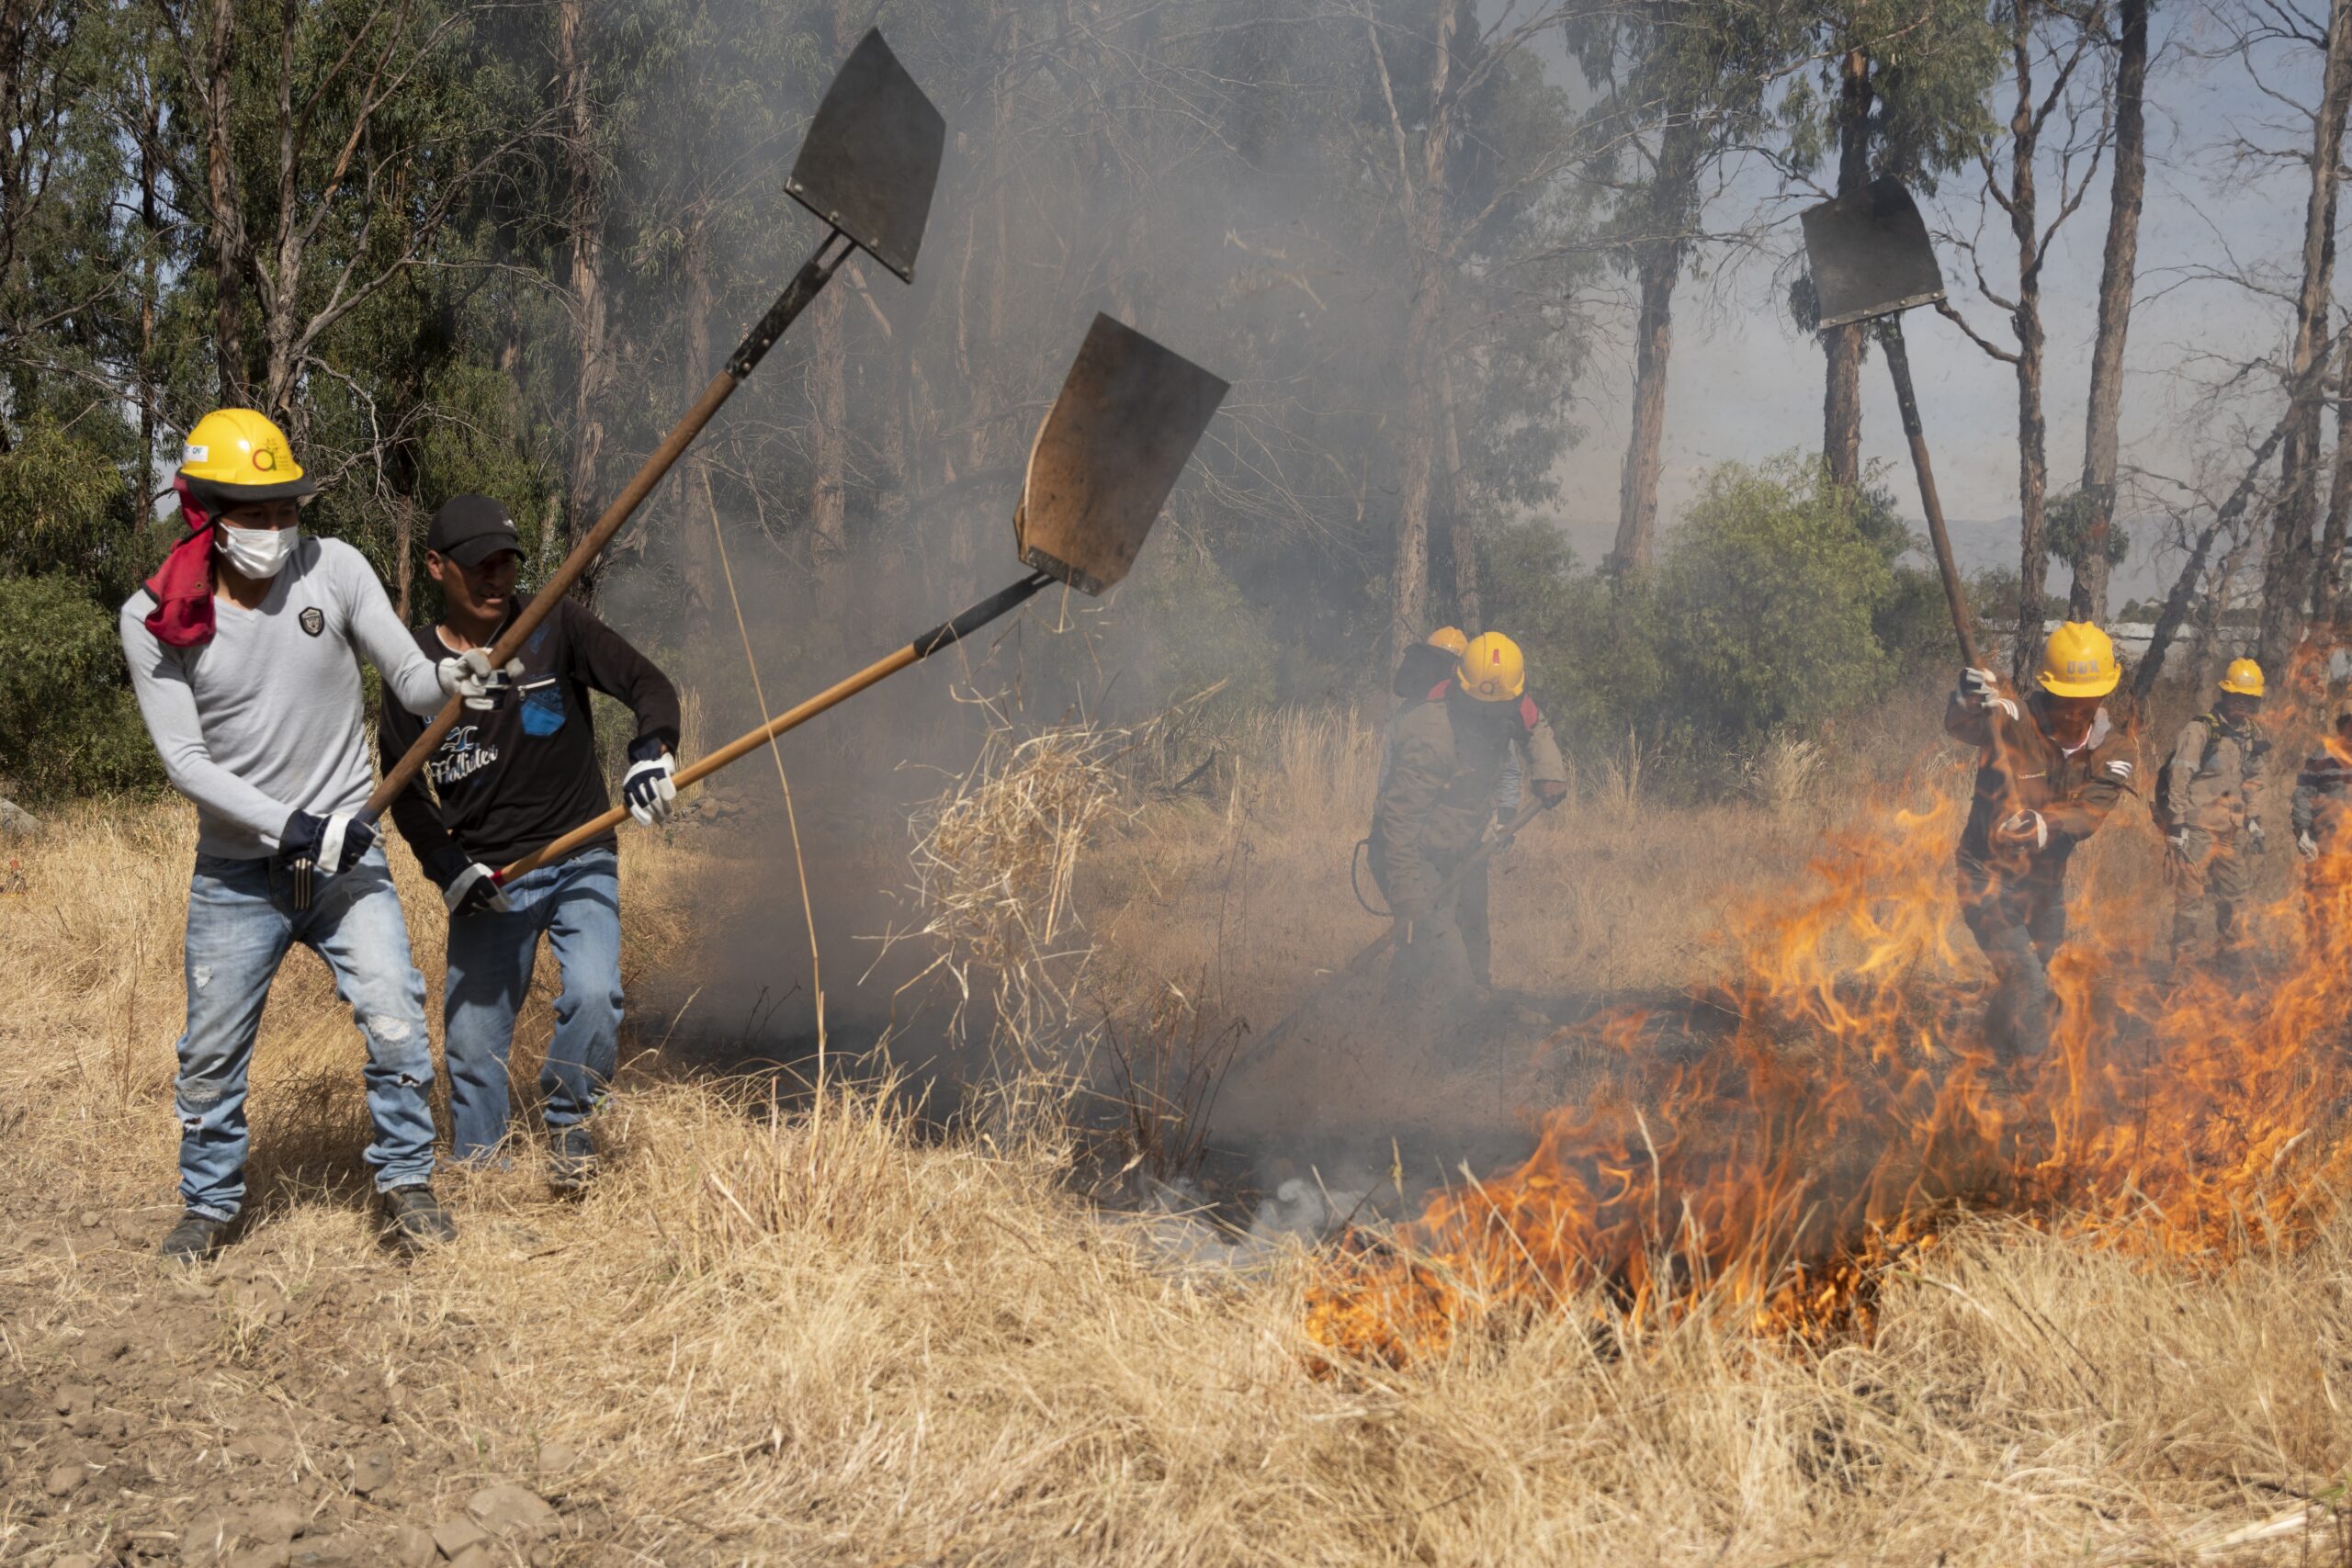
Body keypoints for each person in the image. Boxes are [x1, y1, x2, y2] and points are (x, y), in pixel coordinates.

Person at [119, 410, 510, 1262]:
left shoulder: (334, 567)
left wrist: (451, 675)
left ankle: (407, 1182)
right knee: (211, 1051)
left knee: (398, 1020)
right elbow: (186, 760)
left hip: (349, 859)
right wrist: (288, 824)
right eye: (253, 514)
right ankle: (210, 1202)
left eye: (286, 508)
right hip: (236, 873)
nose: (275, 529)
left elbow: (406, 672)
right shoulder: (153, 617)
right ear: (207, 514)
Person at [379, 495, 681, 1190]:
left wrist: (651, 751)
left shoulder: (554, 625)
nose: (496, 581)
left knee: (597, 995)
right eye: (478, 567)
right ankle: (483, 1167)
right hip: (490, 880)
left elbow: (647, 684)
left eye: (507, 565)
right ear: (435, 567)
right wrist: (449, 868)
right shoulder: (413, 670)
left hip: (580, 850)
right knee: (473, 1045)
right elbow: (404, 791)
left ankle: (571, 1124)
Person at [1946, 622, 2137, 1062]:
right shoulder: (2015, 717)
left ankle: (1993, 1051)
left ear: (2102, 697)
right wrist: (1968, 699)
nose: (2072, 712)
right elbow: (1968, 722)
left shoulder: (2117, 751)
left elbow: (2090, 813)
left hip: (2044, 888)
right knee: (2030, 982)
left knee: (2029, 975)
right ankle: (2036, 1082)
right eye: (2063, 700)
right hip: (1984, 878)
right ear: (2048, 692)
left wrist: (2043, 824)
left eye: (2083, 702)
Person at [1370, 630, 1568, 1012]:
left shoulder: (1508, 701)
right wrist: (1411, 899)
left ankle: (1417, 1014)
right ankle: (1453, 1035)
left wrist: (1548, 769)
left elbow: (1535, 725)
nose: (1496, 718)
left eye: (1503, 708)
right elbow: (1399, 830)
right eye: (1486, 709)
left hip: (1462, 848)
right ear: (1462, 691)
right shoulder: (1430, 733)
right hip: (1413, 854)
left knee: (1473, 944)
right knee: (1444, 957)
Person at [2162, 659, 2269, 966]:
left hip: (2232, 830)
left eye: (2250, 700)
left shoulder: (2249, 734)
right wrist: (2177, 824)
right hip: (2197, 829)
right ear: (2224, 695)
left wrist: (2254, 821)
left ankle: (2231, 965)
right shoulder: (2200, 730)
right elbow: (2179, 777)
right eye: (2238, 698)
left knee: (2235, 899)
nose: (2244, 705)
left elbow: (2254, 780)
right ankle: (2183, 967)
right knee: (2190, 900)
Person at [2291, 711, 2352, 862]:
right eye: (2348, 722)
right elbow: (2303, 795)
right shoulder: (2320, 759)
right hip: (2327, 847)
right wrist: (2303, 831)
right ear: (2340, 727)